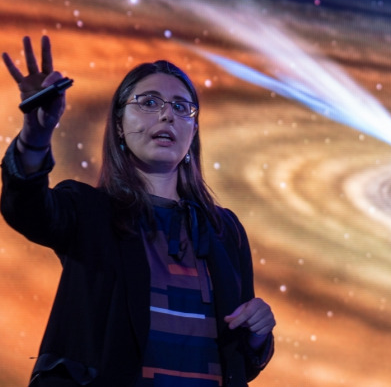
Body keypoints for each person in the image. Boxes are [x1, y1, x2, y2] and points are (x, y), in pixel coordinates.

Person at [1, 36, 275, 387]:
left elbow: (238, 362)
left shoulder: (225, 231)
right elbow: (25, 210)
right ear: (118, 124)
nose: (166, 114)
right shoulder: (88, 211)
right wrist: (36, 136)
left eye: (181, 107)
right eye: (149, 102)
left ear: (193, 131)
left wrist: (256, 335)